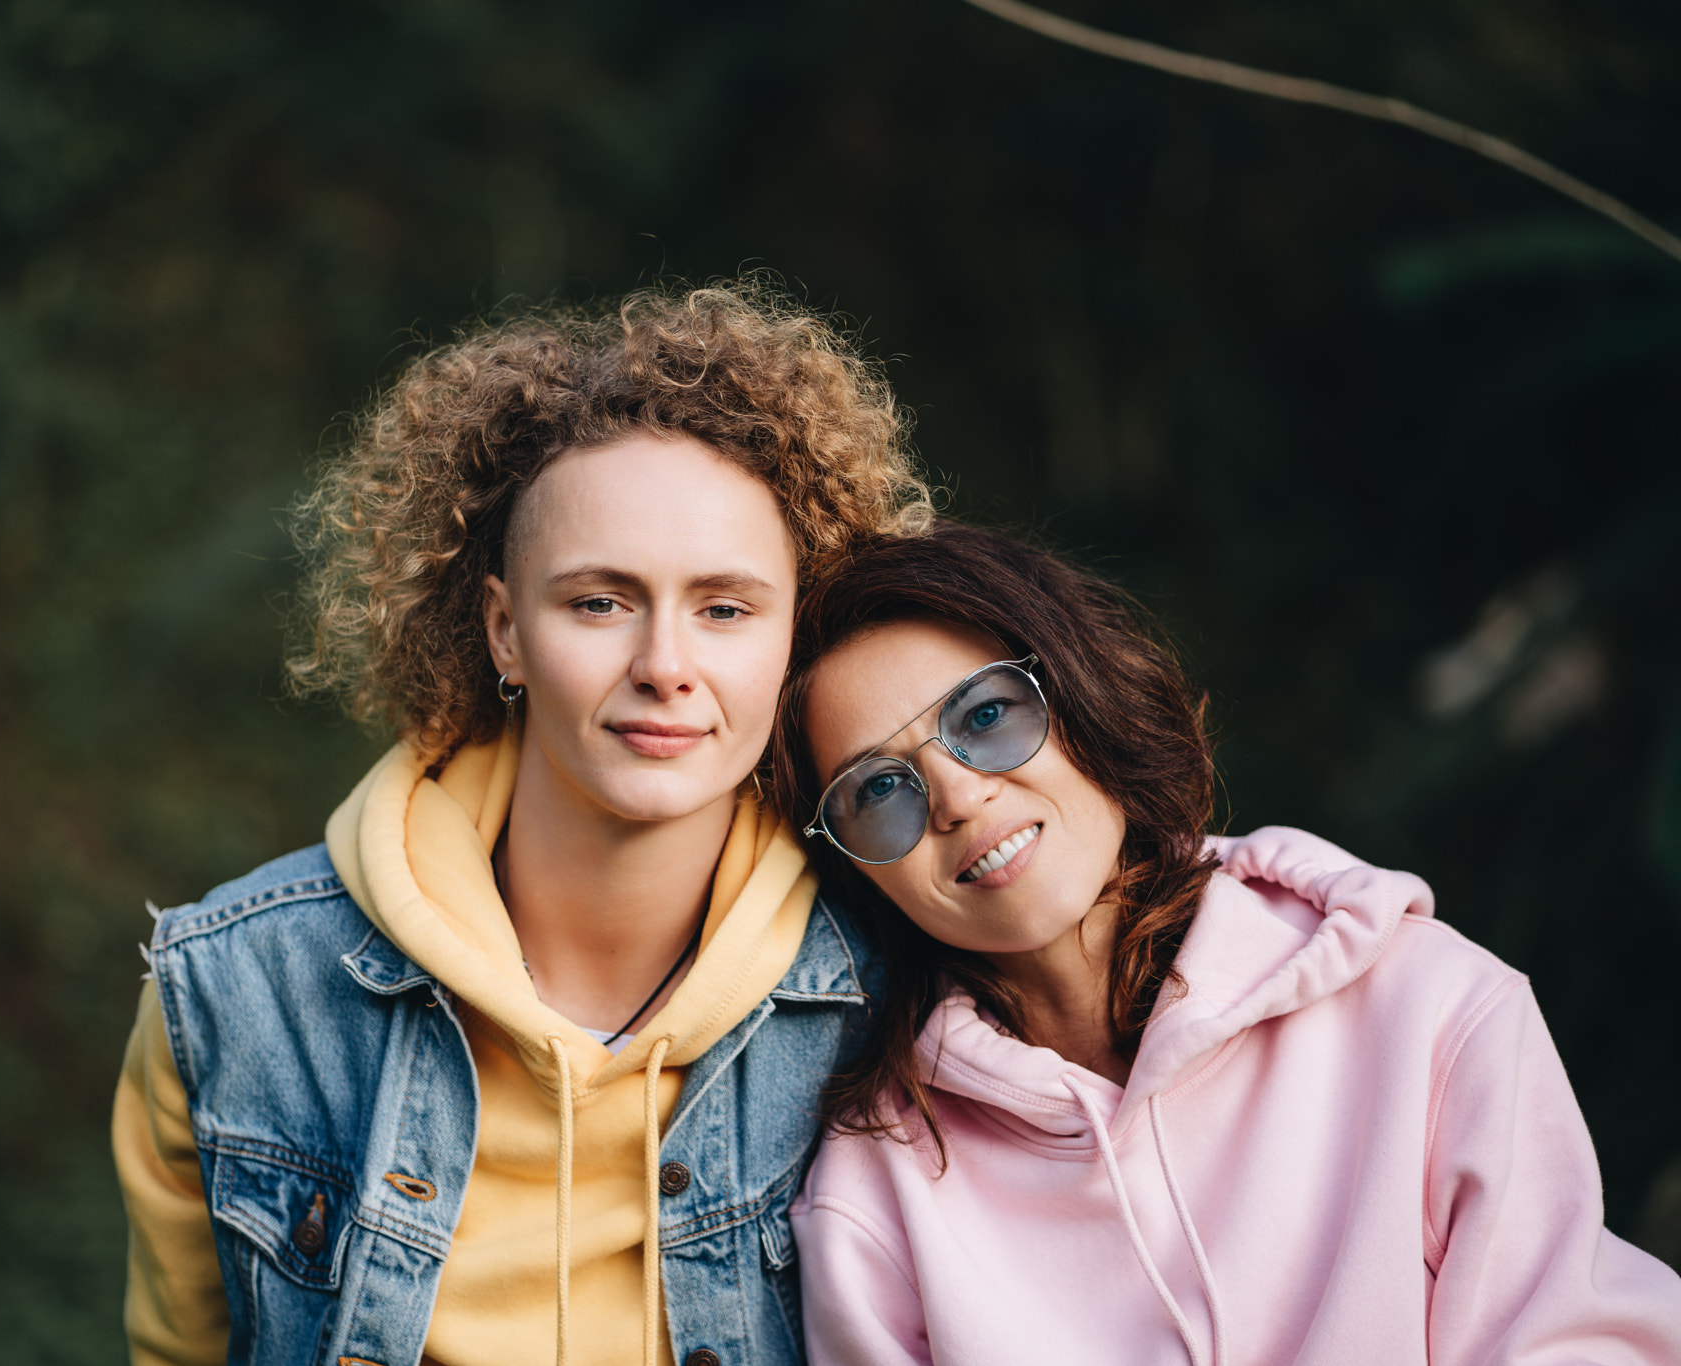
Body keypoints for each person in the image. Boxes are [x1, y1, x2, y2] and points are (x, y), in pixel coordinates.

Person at [111, 282, 932, 1366]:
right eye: (599, 601)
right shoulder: (232, 991)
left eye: (725, 608)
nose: (664, 668)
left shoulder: (901, 996)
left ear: (794, 634)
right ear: (504, 630)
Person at [770, 520, 1681, 1365]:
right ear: (851, 868)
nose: (959, 799)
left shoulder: (1425, 1002)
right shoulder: (874, 1198)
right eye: (880, 791)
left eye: (984, 717)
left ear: (1080, 698)